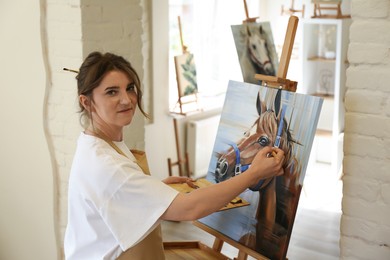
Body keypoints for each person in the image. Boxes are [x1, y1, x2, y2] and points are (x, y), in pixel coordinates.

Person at [64, 51, 285, 260]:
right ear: (86, 102)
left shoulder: (95, 145)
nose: (127, 100)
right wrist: (253, 174)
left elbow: (115, 197)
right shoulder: (107, 165)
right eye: (112, 92)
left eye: (130, 88)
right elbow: (190, 208)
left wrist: (154, 192)